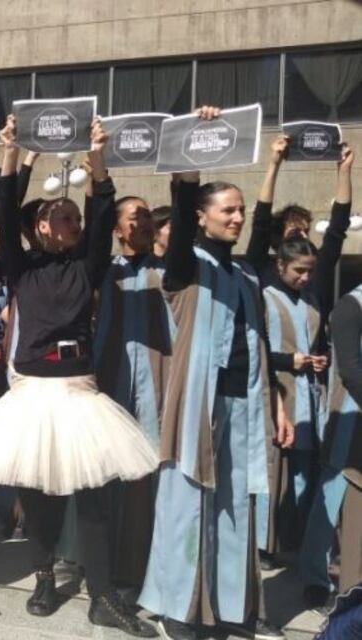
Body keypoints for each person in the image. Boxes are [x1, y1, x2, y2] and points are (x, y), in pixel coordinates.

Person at [0, 115, 158, 637]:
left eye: (73, 215)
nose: (71, 220)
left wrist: (97, 157)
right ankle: (45, 576)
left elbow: (100, 215)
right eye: (59, 215)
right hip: (33, 393)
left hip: (79, 392)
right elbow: (5, 215)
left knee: (91, 500)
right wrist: (16, 153)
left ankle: (102, 596)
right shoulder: (21, 268)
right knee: (42, 497)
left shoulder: (86, 267)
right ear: (40, 228)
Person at [137, 107, 294, 640]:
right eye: (228, 210)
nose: (237, 217)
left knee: (233, 511)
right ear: (203, 217)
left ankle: (229, 609)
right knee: (186, 508)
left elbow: (261, 344)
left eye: (241, 210)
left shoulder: (245, 272)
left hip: (243, 405)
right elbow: (180, 223)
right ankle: (176, 613)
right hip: (195, 409)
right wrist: (189, 152)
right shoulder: (186, 266)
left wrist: (274, 401)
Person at [247, 137, 352, 564]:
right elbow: (257, 225)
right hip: (273, 393)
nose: (303, 240)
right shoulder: (258, 282)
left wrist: (344, 170)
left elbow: (340, 226)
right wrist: (273, 163)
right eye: (293, 233)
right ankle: (264, 545)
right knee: (272, 475)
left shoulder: (313, 286)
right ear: (279, 254)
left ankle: (302, 549)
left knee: (308, 475)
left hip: (310, 395)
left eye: (306, 233)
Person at [92, 193, 175, 589]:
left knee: (151, 478)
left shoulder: (170, 273)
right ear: (116, 228)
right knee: (109, 478)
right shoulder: (103, 273)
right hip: (110, 389)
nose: (143, 222)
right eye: (133, 215)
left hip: (157, 388)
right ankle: (105, 566)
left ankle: (147, 568)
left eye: (147, 215)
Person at [299, 150, 359, 609]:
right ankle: (316, 575)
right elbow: (351, 369)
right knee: (332, 487)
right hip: (343, 409)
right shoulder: (349, 306)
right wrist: (343, 173)